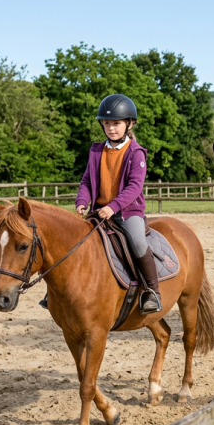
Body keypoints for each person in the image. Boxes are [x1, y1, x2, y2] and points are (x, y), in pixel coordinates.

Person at [68, 94, 161, 314]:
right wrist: (82, 200)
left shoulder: (135, 153)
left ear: (129, 124)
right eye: (107, 123)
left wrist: (114, 207)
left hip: (128, 212)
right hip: (99, 211)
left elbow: (134, 187)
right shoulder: (96, 150)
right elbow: (87, 181)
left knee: (138, 242)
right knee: (72, 238)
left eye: (116, 123)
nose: (111, 128)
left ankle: (152, 291)